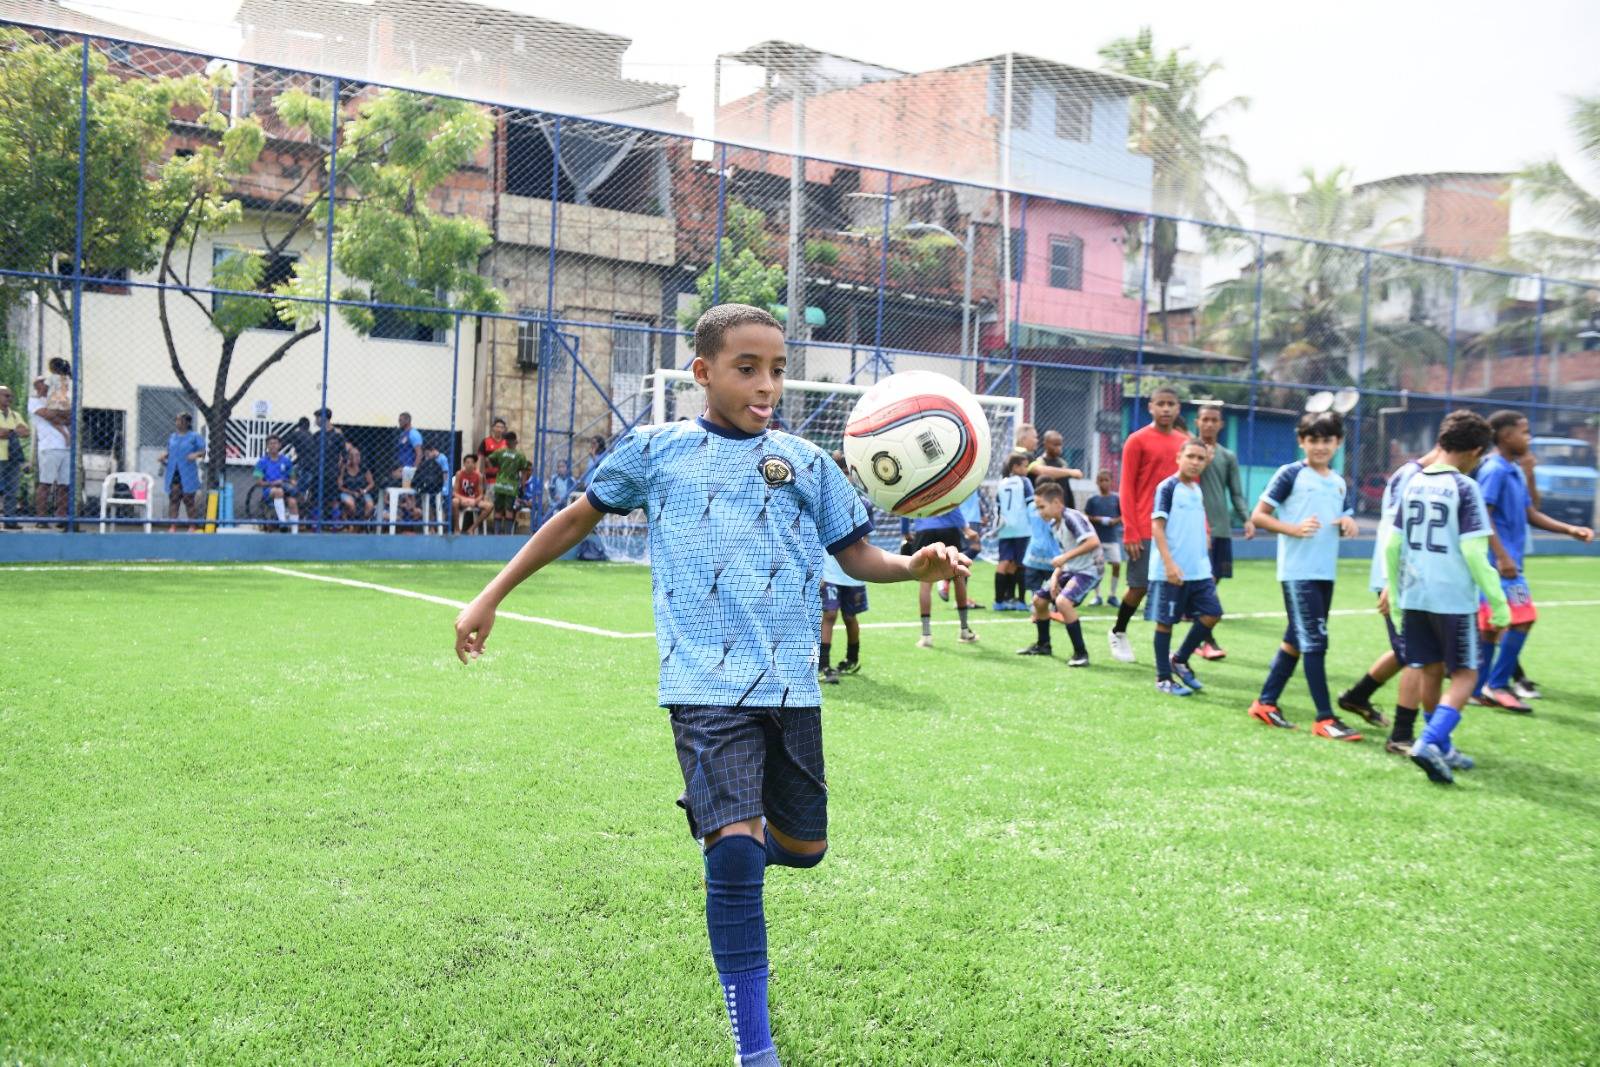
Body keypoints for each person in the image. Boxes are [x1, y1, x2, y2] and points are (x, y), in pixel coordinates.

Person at [452, 303, 967, 1067]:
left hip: (790, 688)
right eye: (747, 368)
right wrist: (491, 593)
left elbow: (856, 553)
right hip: (702, 684)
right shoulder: (655, 450)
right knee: (733, 860)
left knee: (804, 846)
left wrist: (910, 564)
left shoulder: (806, 461)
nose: (768, 384)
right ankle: (754, 1048)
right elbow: (575, 518)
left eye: (778, 369)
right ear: (703, 372)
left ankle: (735, 836)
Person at [1383, 410, 1509, 784]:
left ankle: (1443, 746)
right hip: (1453, 599)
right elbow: (1474, 553)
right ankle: (1430, 740)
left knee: (1431, 669)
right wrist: (1499, 603)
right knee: (1467, 674)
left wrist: (1397, 596)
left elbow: (1392, 544)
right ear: (1474, 450)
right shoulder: (1465, 488)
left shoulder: (1414, 482)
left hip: (1416, 595)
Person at [1246, 412, 1364, 739]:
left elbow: (1343, 517)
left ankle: (1266, 703)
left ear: (1338, 443)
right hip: (1298, 573)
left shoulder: (1339, 481)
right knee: (1314, 643)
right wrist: (1293, 529)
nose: (1320, 446)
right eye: (1313, 440)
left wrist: (1348, 523)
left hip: (1325, 573)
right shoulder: (1291, 474)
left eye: (1327, 440)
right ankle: (1325, 718)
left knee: (1296, 641)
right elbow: (1259, 516)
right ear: (1302, 441)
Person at [1473, 409, 1594, 712]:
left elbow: (1531, 512)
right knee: (1524, 619)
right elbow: (1482, 516)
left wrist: (1569, 529)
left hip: (1507, 563)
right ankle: (1497, 685)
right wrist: (1501, 556)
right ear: (1505, 436)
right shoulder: (1495, 470)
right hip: (1499, 565)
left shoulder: (1512, 469)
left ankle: (1477, 689)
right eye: (1524, 432)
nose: (1529, 438)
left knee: (1490, 627)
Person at [1338, 445, 1439, 750]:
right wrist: (1389, 582)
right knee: (1415, 656)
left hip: (1402, 579)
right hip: (1396, 580)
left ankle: (1357, 696)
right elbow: (1393, 533)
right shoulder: (1412, 476)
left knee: (1408, 650)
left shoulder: (1412, 475)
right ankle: (1401, 735)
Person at [1109, 386, 1187, 663]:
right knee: (1139, 586)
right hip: (1142, 527)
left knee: (1169, 587)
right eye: (1161, 403)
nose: (1166, 409)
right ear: (1150, 407)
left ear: (1178, 409)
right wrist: (1130, 529)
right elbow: (1127, 487)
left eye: (1171, 404)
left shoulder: (1184, 443)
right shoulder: (1137, 440)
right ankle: (1118, 631)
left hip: (1174, 531)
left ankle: (1162, 647)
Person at [1147, 437, 1224, 697]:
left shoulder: (1196, 490)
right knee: (1165, 623)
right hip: (1171, 570)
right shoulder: (1167, 487)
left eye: (1200, 458)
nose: (1195, 462)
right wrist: (1169, 563)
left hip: (1198, 570)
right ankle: (1163, 678)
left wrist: (1206, 563)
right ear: (1179, 457)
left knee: (1213, 613)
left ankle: (1179, 659)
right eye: (1190, 456)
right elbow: (1157, 526)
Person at [1014, 481, 1099, 665]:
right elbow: (1063, 555)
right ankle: (1044, 645)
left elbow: (1093, 542)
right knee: (1039, 600)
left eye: (1041, 506)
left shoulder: (1071, 518)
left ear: (1057, 503)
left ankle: (1081, 653)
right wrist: (1054, 577)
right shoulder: (1054, 524)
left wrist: (1065, 558)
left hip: (1088, 570)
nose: (1039, 512)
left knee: (1063, 602)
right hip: (1071, 569)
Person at [1193, 404, 1254, 659]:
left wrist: (1246, 518)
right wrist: (1202, 461)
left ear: (1221, 425)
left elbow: (1236, 492)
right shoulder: (1189, 453)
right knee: (1204, 585)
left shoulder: (1228, 456)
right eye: (1204, 419)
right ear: (1197, 422)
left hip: (1220, 529)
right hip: (1196, 529)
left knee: (1212, 582)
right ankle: (1205, 640)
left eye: (1213, 420)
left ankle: (1198, 636)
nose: (1208, 424)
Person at [819, 452, 873, 683]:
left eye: (846, 473)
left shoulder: (863, 504)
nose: (843, 478)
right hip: (829, 570)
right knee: (829, 614)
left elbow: (866, 542)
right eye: (839, 473)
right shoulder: (822, 500)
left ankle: (852, 659)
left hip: (852, 573)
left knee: (850, 617)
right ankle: (823, 665)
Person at [908, 503, 978, 648]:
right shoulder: (941, 480)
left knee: (925, 582)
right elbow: (953, 503)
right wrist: (965, 528)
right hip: (948, 529)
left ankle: (926, 635)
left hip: (924, 530)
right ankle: (964, 630)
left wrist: (905, 531)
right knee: (958, 577)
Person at [990, 452, 1035, 610]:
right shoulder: (1025, 481)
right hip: (1022, 528)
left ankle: (1000, 601)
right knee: (1020, 564)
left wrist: (995, 528)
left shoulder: (1002, 483)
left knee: (1004, 563)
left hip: (1005, 528)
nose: (1027, 469)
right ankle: (1021, 601)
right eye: (1025, 466)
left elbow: (998, 508)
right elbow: (1031, 504)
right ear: (1015, 467)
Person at [27, 377, 70, 528]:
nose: (48, 385)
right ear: (37, 385)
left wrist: (59, 415)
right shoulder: (34, 401)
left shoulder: (58, 398)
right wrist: (60, 414)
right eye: (44, 383)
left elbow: (69, 417)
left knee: (64, 485)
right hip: (49, 447)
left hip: (66, 447)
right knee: (45, 483)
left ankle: (61, 518)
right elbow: (48, 415)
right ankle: (41, 519)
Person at [158, 412, 206, 531]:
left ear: (187, 422)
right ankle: (173, 526)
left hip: (187, 471)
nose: (177, 423)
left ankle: (192, 526)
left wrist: (195, 454)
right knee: (174, 498)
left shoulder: (194, 436)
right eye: (177, 420)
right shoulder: (172, 437)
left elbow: (203, 451)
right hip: (174, 471)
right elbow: (170, 451)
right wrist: (164, 456)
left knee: (188, 499)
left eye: (180, 420)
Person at [1083, 469, 1121, 607]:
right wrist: (1097, 519)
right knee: (1097, 567)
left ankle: (1113, 594)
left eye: (1106, 480)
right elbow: (1086, 516)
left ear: (1111, 481)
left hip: (1112, 538)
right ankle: (1097, 596)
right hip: (1097, 539)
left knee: (1116, 564)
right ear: (1097, 481)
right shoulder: (1093, 499)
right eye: (1101, 480)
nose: (1104, 483)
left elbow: (1122, 516)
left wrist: (1114, 521)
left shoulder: (1116, 498)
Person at [485, 431, 531, 534]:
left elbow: (488, 459)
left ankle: (497, 534)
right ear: (516, 442)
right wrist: (523, 485)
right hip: (511, 486)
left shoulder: (500, 452)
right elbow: (524, 471)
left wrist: (493, 468)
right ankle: (507, 534)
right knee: (509, 509)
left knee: (498, 509)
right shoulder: (520, 455)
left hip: (500, 484)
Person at [1027, 428, 1084, 510]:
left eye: (1060, 445)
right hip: (1047, 508)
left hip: (1063, 506)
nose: (1059, 448)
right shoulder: (1040, 463)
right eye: (1055, 445)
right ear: (1045, 444)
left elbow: (1066, 488)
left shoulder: (1062, 463)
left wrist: (1071, 507)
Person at [253, 434, 299, 532]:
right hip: (269, 491)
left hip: (285, 489)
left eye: (275, 443)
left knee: (293, 502)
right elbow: (259, 483)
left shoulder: (286, 461)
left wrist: (291, 482)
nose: (273, 446)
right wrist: (273, 483)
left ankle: (295, 532)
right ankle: (283, 524)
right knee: (278, 491)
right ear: (267, 446)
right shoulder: (262, 462)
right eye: (270, 444)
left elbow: (293, 478)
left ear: (279, 445)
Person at [0, 385, 30, 527]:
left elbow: (25, 432)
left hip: (12, 457)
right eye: (6, 396)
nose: (9, 399)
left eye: (10, 396)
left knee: (12, 490)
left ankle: (10, 521)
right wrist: (14, 430)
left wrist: (8, 431)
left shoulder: (15, 415)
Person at [336, 448, 376, 528]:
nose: (358, 457)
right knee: (351, 504)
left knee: (370, 505)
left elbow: (372, 483)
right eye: (355, 455)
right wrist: (352, 493)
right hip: (347, 491)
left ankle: (361, 523)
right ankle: (348, 519)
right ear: (350, 457)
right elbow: (339, 486)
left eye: (359, 455)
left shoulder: (363, 468)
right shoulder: (344, 468)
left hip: (361, 492)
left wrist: (364, 490)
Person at [452, 454, 487, 534]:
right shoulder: (459, 474)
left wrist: (475, 501)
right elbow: (454, 492)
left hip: (474, 500)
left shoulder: (479, 475)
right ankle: (457, 528)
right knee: (454, 502)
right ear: (464, 464)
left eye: (472, 462)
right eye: (468, 462)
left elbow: (481, 494)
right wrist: (463, 499)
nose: (470, 464)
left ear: (475, 464)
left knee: (489, 506)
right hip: (462, 499)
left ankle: (472, 528)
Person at [390, 411, 423, 488]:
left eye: (401, 420)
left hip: (409, 467)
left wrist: (414, 469)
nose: (399, 422)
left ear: (407, 421)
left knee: (404, 489)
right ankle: (407, 498)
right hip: (401, 466)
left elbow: (419, 453)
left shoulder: (413, 434)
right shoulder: (403, 434)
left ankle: (408, 497)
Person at [38, 357, 72, 430]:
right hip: (65, 406)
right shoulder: (67, 378)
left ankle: (59, 425)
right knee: (67, 420)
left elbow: (43, 390)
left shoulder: (52, 378)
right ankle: (64, 424)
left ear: (52, 368)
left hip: (53, 406)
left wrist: (39, 396)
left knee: (49, 418)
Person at [478, 418, 509, 485]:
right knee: (489, 495)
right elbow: (480, 459)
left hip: (503, 479)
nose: (499, 429)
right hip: (489, 479)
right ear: (493, 428)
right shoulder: (486, 442)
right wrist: (479, 474)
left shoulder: (507, 443)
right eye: (497, 427)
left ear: (504, 429)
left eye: (501, 427)